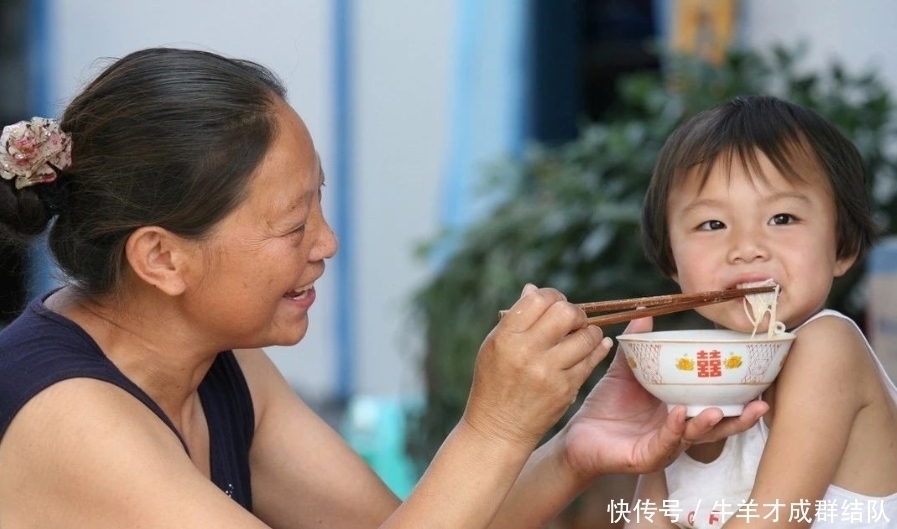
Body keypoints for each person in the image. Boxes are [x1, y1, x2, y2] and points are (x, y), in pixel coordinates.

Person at [0, 47, 764, 528]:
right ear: (162, 258)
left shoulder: (219, 366)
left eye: (320, 204)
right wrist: (491, 428)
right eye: (292, 224)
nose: (326, 244)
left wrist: (573, 450)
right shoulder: (71, 419)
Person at [625, 95, 897, 528]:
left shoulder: (828, 347)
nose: (747, 248)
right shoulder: (684, 378)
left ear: (841, 245)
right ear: (672, 261)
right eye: (712, 224)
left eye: (782, 218)